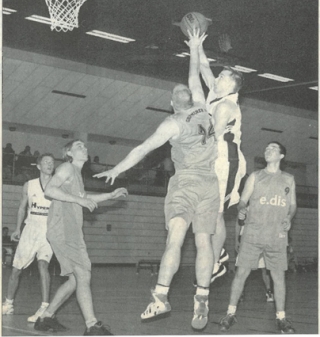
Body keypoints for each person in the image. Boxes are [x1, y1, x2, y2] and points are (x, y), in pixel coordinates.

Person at [94, 37, 220, 331]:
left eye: (183, 89)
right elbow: (143, 149)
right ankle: (188, 297)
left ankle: (177, 296)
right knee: (196, 241)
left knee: (188, 239)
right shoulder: (197, 109)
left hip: (191, 183)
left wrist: (194, 48)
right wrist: (117, 169)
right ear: (174, 101)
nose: (183, 90)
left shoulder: (178, 119)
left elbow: (143, 149)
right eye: (178, 91)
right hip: (207, 184)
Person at [34, 140, 128, 335]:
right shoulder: (67, 167)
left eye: (85, 146)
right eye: (78, 146)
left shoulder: (76, 174)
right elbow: (50, 190)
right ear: (68, 152)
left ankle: (46, 317)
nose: (84, 148)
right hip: (63, 229)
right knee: (83, 274)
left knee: (74, 280)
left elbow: (85, 196)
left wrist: (110, 195)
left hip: (70, 231)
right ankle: (91, 325)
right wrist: (79, 200)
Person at [219, 141, 297, 334]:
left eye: (273, 148)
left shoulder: (289, 179)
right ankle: (230, 313)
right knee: (241, 274)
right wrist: (242, 209)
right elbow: (243, 200)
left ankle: (281, 318)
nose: (267, 150)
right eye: (266, 148)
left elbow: (292, 205)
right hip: (253, 233)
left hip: (277, 235)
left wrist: (289, 217)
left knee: (278, 277)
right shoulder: (255, 176)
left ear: (281, 156)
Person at [189, 30, 246, 283]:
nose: (217, 77)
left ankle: (214, 262)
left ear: (230, 84)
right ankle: (218, 254)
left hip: (226, 157)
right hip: (214, 154)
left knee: (218, 213)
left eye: (221, 76)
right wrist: (197, 45)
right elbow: (203, 68)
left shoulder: (226, 105)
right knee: (210, 210)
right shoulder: (217, 93)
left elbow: (214, 133)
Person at [2, 154, 55, 323]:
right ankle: (8, 303)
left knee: (43, 265)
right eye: (46, 162)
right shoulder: (29, 185)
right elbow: (21, 208)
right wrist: (17, 228)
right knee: (16, 269)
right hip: (30, 229)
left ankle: (44, 307)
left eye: (52, 162)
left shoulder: (59, 185)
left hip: (48, 232)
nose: (49, 164)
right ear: (38, 166)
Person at [235, 214, 274, 303]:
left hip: (260, 240)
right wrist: (236, 240)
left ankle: (269, 291)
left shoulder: (263, 206)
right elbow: (237, 224)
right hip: (246, 240)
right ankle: (240, 292)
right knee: (242, 268)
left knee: (264, 267)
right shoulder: (244, 206)